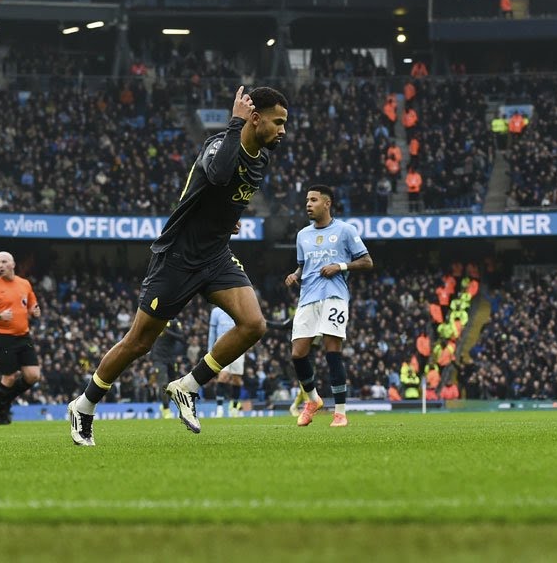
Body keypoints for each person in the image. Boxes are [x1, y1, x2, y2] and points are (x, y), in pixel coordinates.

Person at [67, 86, 289, 446]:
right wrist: (234, 123)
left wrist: (226, 221)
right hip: (177, 258)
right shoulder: (219, 144)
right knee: (138, 343)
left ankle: (188, 385)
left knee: (253, 324)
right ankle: (84, 405)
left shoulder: (261, 160)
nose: (283, 130)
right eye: (278, 122)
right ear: (254, 118)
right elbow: (217, 176)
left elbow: (225, 198)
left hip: (215, 256)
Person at [285, 185, 373, 428]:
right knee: (297, 353)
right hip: (307, 298)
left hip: (334, 296)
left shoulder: (345, 230)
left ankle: (341, 412)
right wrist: (294, 275)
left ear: (327, 203)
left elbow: (367, 261)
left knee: (332, 353)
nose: (308, 204)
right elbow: (304, 266)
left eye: (313, 200)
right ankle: (313, 400)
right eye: (307, 200)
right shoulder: (302, 235)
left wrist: (340, 266)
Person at [0, 251, 41, 425]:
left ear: (13, 264)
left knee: (33, 375)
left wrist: (35, 311)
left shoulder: (24, 284)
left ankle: (6, 396)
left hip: (23, 335)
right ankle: (1, 414)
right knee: (10, 377)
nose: (0, 266)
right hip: (3, 337)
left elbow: (32, 304)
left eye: (4, 262)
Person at [208, 306, 242, 416]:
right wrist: (209, 349)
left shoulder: (239, 308)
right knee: (223, 376)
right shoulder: (216, 311)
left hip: (239, 346)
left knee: (237, 380)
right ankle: (220, 408)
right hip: (221, 347)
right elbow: (212, 332)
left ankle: (234, 407)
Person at [150, 320, 185, 417]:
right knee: (163, 383)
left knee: (172, 384)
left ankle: (167, 404)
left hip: (171, 358)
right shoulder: (155, 319)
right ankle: (166, 409)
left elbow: (182, 338)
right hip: (158, 358)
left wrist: (167, 331)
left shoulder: (174, 322)